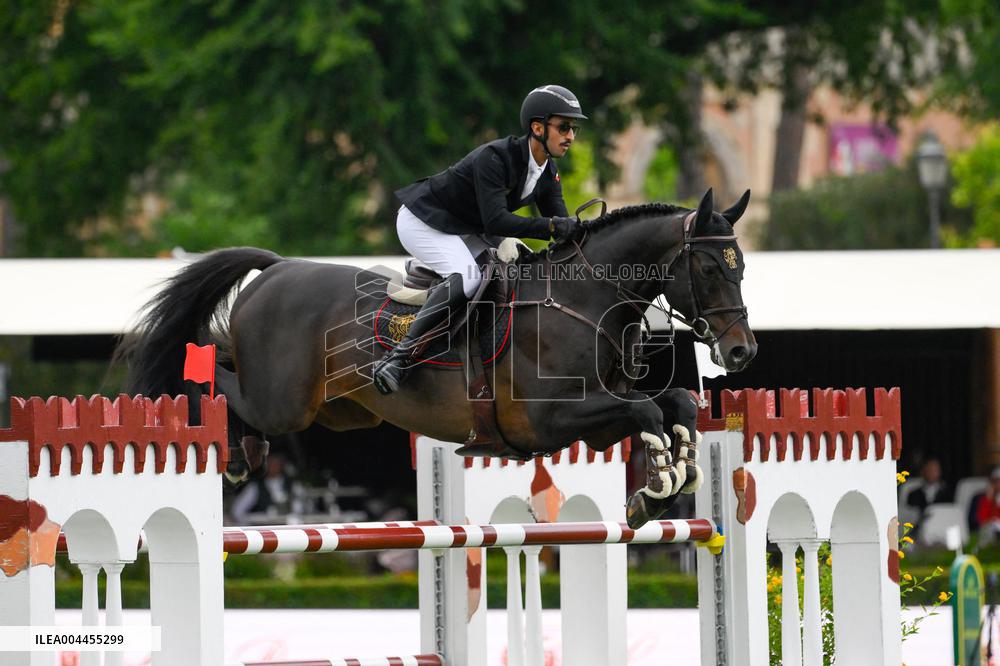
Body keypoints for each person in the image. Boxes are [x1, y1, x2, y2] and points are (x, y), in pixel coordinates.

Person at [372, 85, 588, 395]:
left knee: (511, 270)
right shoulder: (495, 158)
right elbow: (497, 221)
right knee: (469, 278)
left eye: (573, 128)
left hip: (463, 228)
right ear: (537, 128)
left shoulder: (547, 172)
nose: (570, 136)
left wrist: (585, 234)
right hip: (423, 220)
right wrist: (553, 227)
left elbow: (563, 227)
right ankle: (398, 359)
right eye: (564, 127)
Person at [906, 457, 954, 540]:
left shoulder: (948, 493)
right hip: (919, 533)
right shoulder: (913, 493)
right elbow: (909, 516)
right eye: (929, 469)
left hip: (943, 531)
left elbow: (950, 515)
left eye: (935, 470)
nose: (931, 473)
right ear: (923, 471)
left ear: (940, 472)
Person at [975, 466, 1000, 546]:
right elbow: (982, 520)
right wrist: (988, 499)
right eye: (996, 481)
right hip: (991, 532)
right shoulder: (985, 499)